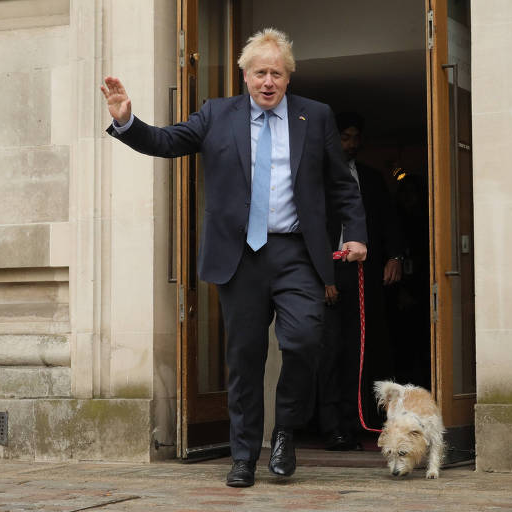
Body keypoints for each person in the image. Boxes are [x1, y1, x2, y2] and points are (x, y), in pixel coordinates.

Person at [100, 28, 367, 488]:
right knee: (244, 358)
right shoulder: (216, 114)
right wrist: (128, 121)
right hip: (239, 256)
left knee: (304, 341)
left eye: (277, 74)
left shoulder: (315, 116)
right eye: (260, 72)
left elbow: (342, 184)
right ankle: (243, 455)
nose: (268, 81)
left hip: (297, 252)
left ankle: (284, 433)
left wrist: (357, 234)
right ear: (244, 75)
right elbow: (166, 142)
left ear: (288, 78)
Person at [316, 112, 404, 451]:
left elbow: (386, 220)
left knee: (361, 350)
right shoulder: (316, 178)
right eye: (345, 137)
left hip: (363, 272)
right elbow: (309, 228)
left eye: (355, 137)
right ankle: (331, 427)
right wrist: (323, 276)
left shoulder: (370, 177)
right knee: (329, 352)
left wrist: (395, 254)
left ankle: (357, 423)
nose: (351, 144)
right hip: (326, 272)